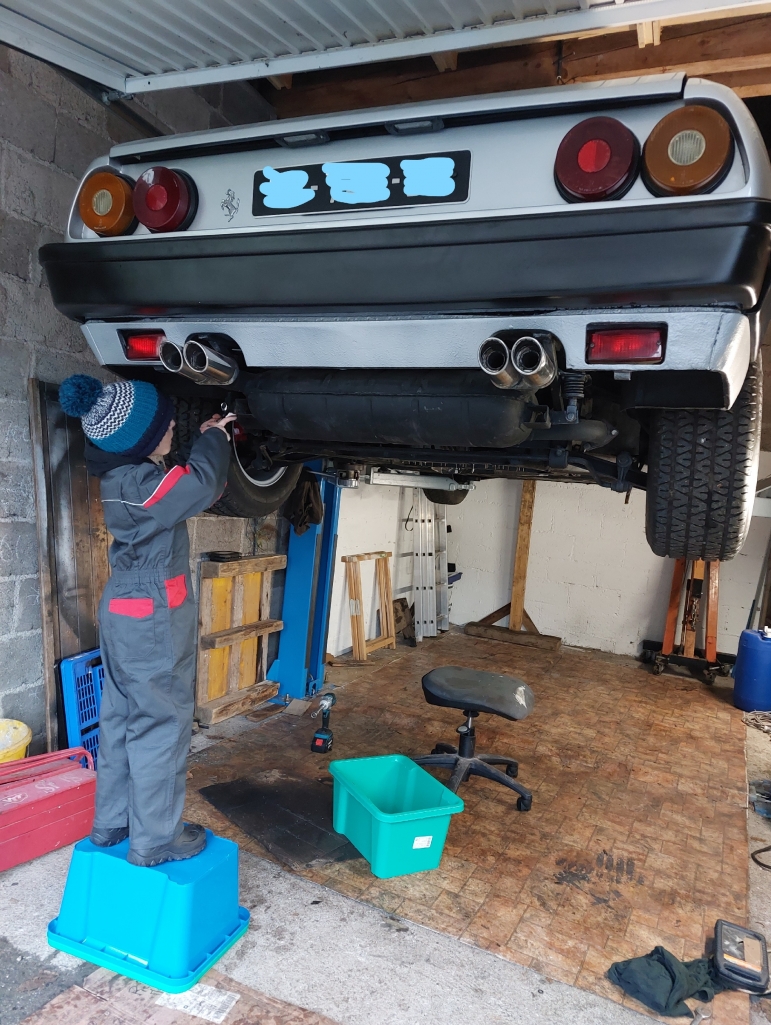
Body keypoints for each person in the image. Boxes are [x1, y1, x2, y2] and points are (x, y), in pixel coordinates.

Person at [58, 374, 235, 868]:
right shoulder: (141, 486)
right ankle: (156, 839)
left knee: (120, 717)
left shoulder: (124, 480)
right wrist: (214, 438)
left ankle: (111, 823)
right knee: (161, 722)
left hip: (123, 610)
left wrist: (199, 443)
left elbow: (186, 487)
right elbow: (202, 485)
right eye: (164, 424)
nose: (173, 426)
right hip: (151, 615)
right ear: (139, 439)